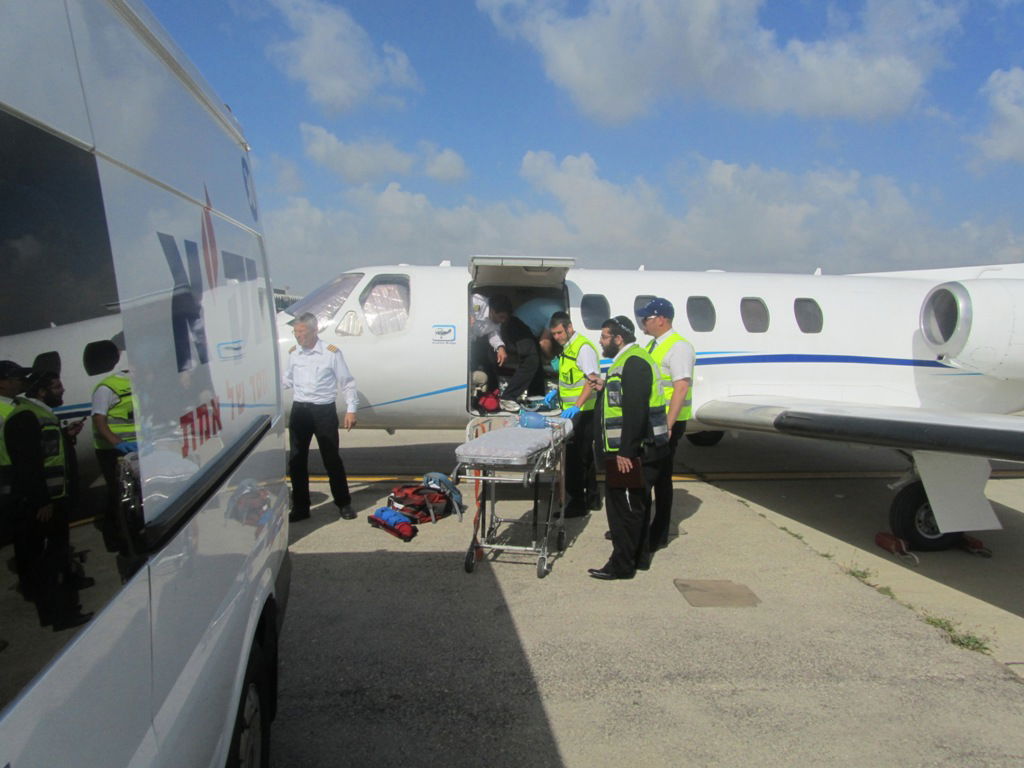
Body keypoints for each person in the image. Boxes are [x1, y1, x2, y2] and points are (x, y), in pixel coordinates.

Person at [6, 372, 92, 630]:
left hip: (56, 495)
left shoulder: (36, 411)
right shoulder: (25, 415)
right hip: (45, 499)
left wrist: (66, 436)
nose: (62, 390)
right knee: (48, 559)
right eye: (56, 387)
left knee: (58, 549)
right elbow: (28, 463)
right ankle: (59, 614)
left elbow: (47, 449)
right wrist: (42, 500)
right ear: (41, 392)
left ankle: (65, 590)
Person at [588, 316, 669, 581]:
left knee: (623, 509)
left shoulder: (634, 363)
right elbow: (622, 399)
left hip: (633, 450)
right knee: (636, 504)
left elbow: (636, 410)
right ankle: (640, 558)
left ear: (618, 338)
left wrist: (626, 451)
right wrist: (603, 387)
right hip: (633, 447)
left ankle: (621, 565)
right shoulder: (627, 361)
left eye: (604, 336)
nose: (601, 341)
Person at [283, 312, 358, 522]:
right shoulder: (294, 353)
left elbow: (347, 382)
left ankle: (344, 503)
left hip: (323, 411)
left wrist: (351, 409)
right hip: (300, 411)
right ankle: (300, 507)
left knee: (331, 459)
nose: (298, 336)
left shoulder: (331, 353)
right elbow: (287, 380)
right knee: (297, 461)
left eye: (302, 332)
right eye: (295, 332)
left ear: (314, 331)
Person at [638, 298, 695, 555]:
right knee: (648, 475)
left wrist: (669, 425)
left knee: (660, 478)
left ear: (661, 319)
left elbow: (681, 387)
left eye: (647, 318)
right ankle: (640, 527)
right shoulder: (653, 345)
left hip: (668, 423)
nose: (643, 323)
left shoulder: (679, 347)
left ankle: (659, 533)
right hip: (653, 421)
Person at [546, 311, 601, 516]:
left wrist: (576, 406)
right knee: (584, 457)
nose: (557, 337)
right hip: (574, 411)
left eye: (560, 332)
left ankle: (577, 503)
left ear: (570, 328)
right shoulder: (568, 348)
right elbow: (571, 378)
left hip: (583, 412)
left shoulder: (583, 348)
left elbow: (592, 379)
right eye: (554, 334)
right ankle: (592, 498)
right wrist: (556, 391)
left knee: (575, 460)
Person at [91, 360, 138, 552]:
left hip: (135, 448)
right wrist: (118, 443)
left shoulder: (139, 383)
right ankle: (114, 537)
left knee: (133, 491)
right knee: (118, 493)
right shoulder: (107, 388)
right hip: (112, 451)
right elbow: (99, 419)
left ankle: (131, 531)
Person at [493, 295, 545, 409]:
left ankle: (536, 399)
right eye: (501, 317)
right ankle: (508, 397)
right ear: (492, 311)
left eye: (504, 317)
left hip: (521, 325)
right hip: (518, 325)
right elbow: (545, 342)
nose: (502, 321)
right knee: (530, 359)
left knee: (535, 362)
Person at [0, 361, 32, 545]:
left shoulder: (20, 403)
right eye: (17, 378)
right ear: (2, 383)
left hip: (24, 472)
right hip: (8, 474)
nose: (22, 381)